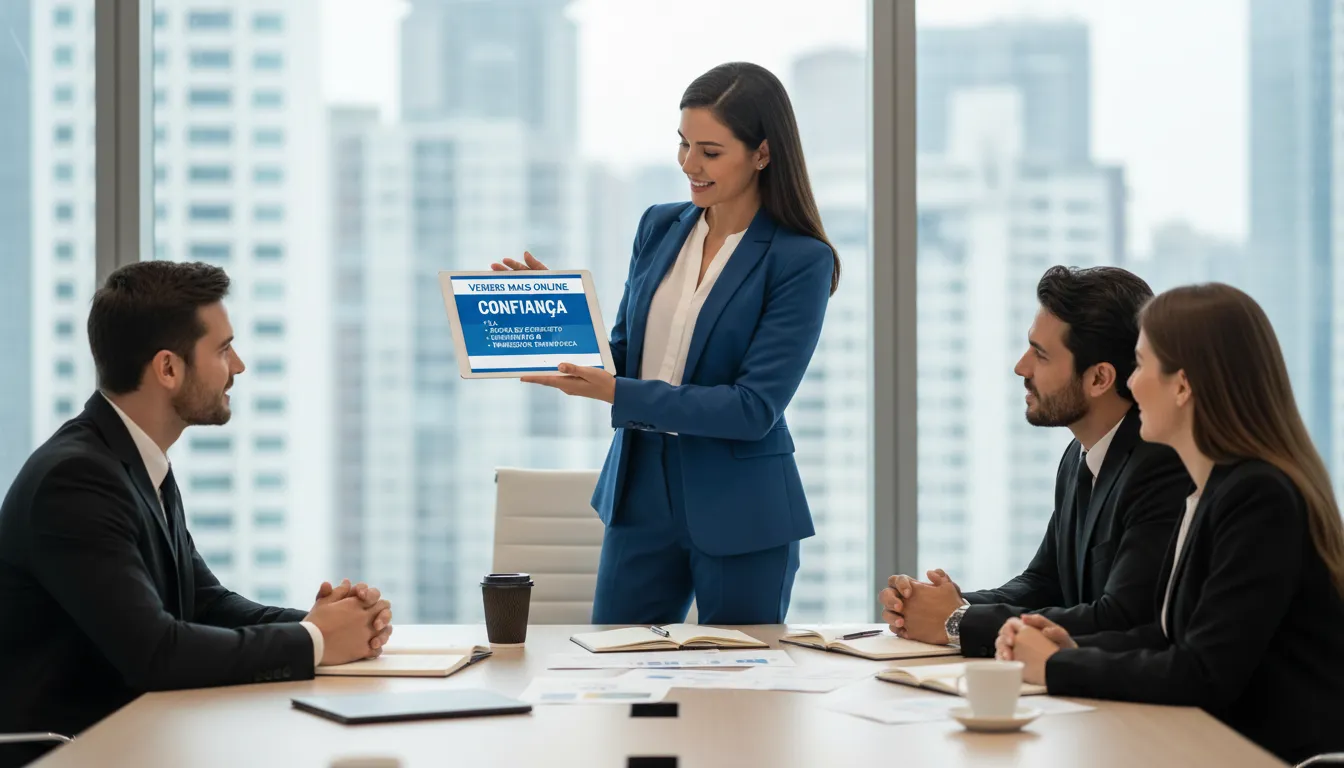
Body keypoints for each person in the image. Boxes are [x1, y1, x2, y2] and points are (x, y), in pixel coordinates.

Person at [0, 262, 393, 765]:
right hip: (76, 754)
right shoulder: (76, 480)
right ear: (168, 368)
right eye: (224, 349)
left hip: (138, 740)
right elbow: (156, 654)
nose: (240, 366)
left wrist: (334, 623)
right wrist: (313, 640)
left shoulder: (134, 460)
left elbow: (206, 604)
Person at [491, 62, 837, 624]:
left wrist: (617, 393)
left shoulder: (800, 260)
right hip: (640, 491)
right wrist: (551, 313)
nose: (688, 165)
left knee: (742, 690)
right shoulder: (659, 226)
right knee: (619, 679)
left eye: (709, 150)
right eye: (682, 144)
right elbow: (627, 355)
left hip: (740, 502)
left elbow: (752, 409)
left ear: (763, 154)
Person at [997, 283, 1344, 764]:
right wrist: (1071, 644)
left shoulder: (1258, 497)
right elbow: (1166, 638)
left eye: (1140, 365)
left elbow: (1203, 671)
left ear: (1182, 385)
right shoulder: (1216, 487)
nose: (1131, 386)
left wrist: (1058, 665)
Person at [879, 266, 1189, 657]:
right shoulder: (1080, 453)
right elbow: (1044, 582)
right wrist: (940, 604)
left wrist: (957, 621)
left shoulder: (1160, 465)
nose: (1021, 367)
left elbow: (1123, 617)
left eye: (1040, 355)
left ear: (1099, 379)